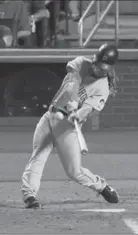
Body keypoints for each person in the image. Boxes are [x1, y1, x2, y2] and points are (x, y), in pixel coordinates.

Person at [20, 44, 120, 209]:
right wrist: (73, 99)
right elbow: (73, 79)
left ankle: (101, 186)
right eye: (97, 66)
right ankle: (29, 195)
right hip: (50, 116)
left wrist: (77, 114)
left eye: (104, 69)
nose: (99, 70)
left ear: (109, 70)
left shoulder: (102, 88)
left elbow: (88, 109)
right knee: (38, 156)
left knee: (74, 172)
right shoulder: (81, 62)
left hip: (66, 125)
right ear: (94, 60)